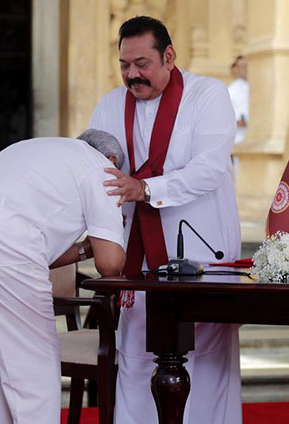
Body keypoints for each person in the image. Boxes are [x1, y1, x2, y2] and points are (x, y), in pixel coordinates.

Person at [88, 15, 242, 424]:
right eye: (124, 65)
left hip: (201, 250)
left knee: (205, 361)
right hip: (135, 259)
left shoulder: (207, 95)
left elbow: (209, 168)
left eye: (142, 63)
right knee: (137, 357)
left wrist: (147, 189)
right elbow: (91, 171)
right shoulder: (107, 105)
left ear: (169, 56)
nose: (132, 74)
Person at [0, 129, 127, 424]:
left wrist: (84, 249)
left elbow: (40, 254)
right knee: (34, 369)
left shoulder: (43, 150)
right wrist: (112, 233)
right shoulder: (100, 168)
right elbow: (110, 265)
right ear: (111, 159)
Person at [227, 55, 248, 145]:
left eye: (246, 66)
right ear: (236, 68)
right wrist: (238, 121)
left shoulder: (256, 88)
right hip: (237, 138)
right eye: (241, 67)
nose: (244, 70)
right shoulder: (231, 90)